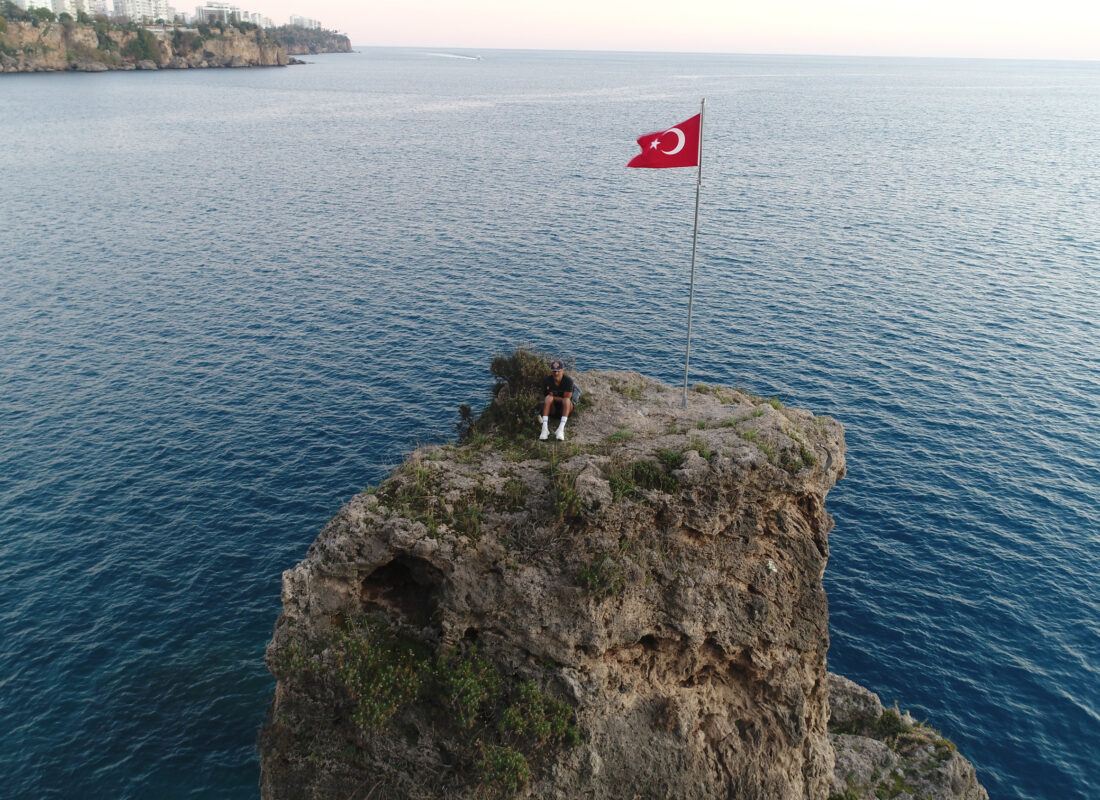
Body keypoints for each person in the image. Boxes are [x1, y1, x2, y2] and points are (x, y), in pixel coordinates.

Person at [539, 359, 576, 440]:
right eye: (554, 371)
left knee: (566, 400)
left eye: (558, 371)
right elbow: (549, 396)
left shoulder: (568, 381)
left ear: (563, 370)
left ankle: (561, 429)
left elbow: (567, 398)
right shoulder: (547, 381)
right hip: (553, 408)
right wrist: (554, 398)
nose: (556, 373)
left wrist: (554, 397)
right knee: (548, 398)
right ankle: (544, 429)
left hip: (566, 408)